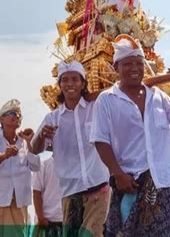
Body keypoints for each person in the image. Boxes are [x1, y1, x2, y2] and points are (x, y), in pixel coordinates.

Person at [90, 35, 170, 236]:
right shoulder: (106, 100)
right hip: (130, 182)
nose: (134, 68)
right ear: (116, 68)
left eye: (138, 63)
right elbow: (101, 140)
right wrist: (117, 174)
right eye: (127, 64)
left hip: (163, 183)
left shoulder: (159, 97)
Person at [31, 61, 110, 237]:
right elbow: (35, 149)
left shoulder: (95, 108)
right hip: (70, 191)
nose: (70, 84)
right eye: (65, 80)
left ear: (83, 83)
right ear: (59, 85)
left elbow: (118, 90)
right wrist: (42, 136)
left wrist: (92, 95)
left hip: (99, 187)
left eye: (75, 79)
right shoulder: (52, 118)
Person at [0, 99, 40, 237]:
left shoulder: (24, 141)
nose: (15, 117)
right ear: (1, 119)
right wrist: (5, 155)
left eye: (18, 115)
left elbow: (35, 166)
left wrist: (30, 143)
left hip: (17, 204)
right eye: (11, 113)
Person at [32, 147, 64, 237]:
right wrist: (41, 219)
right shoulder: (43, 165)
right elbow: (36, 193)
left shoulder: (75, 166)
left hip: (67, 222)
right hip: (48, 222)